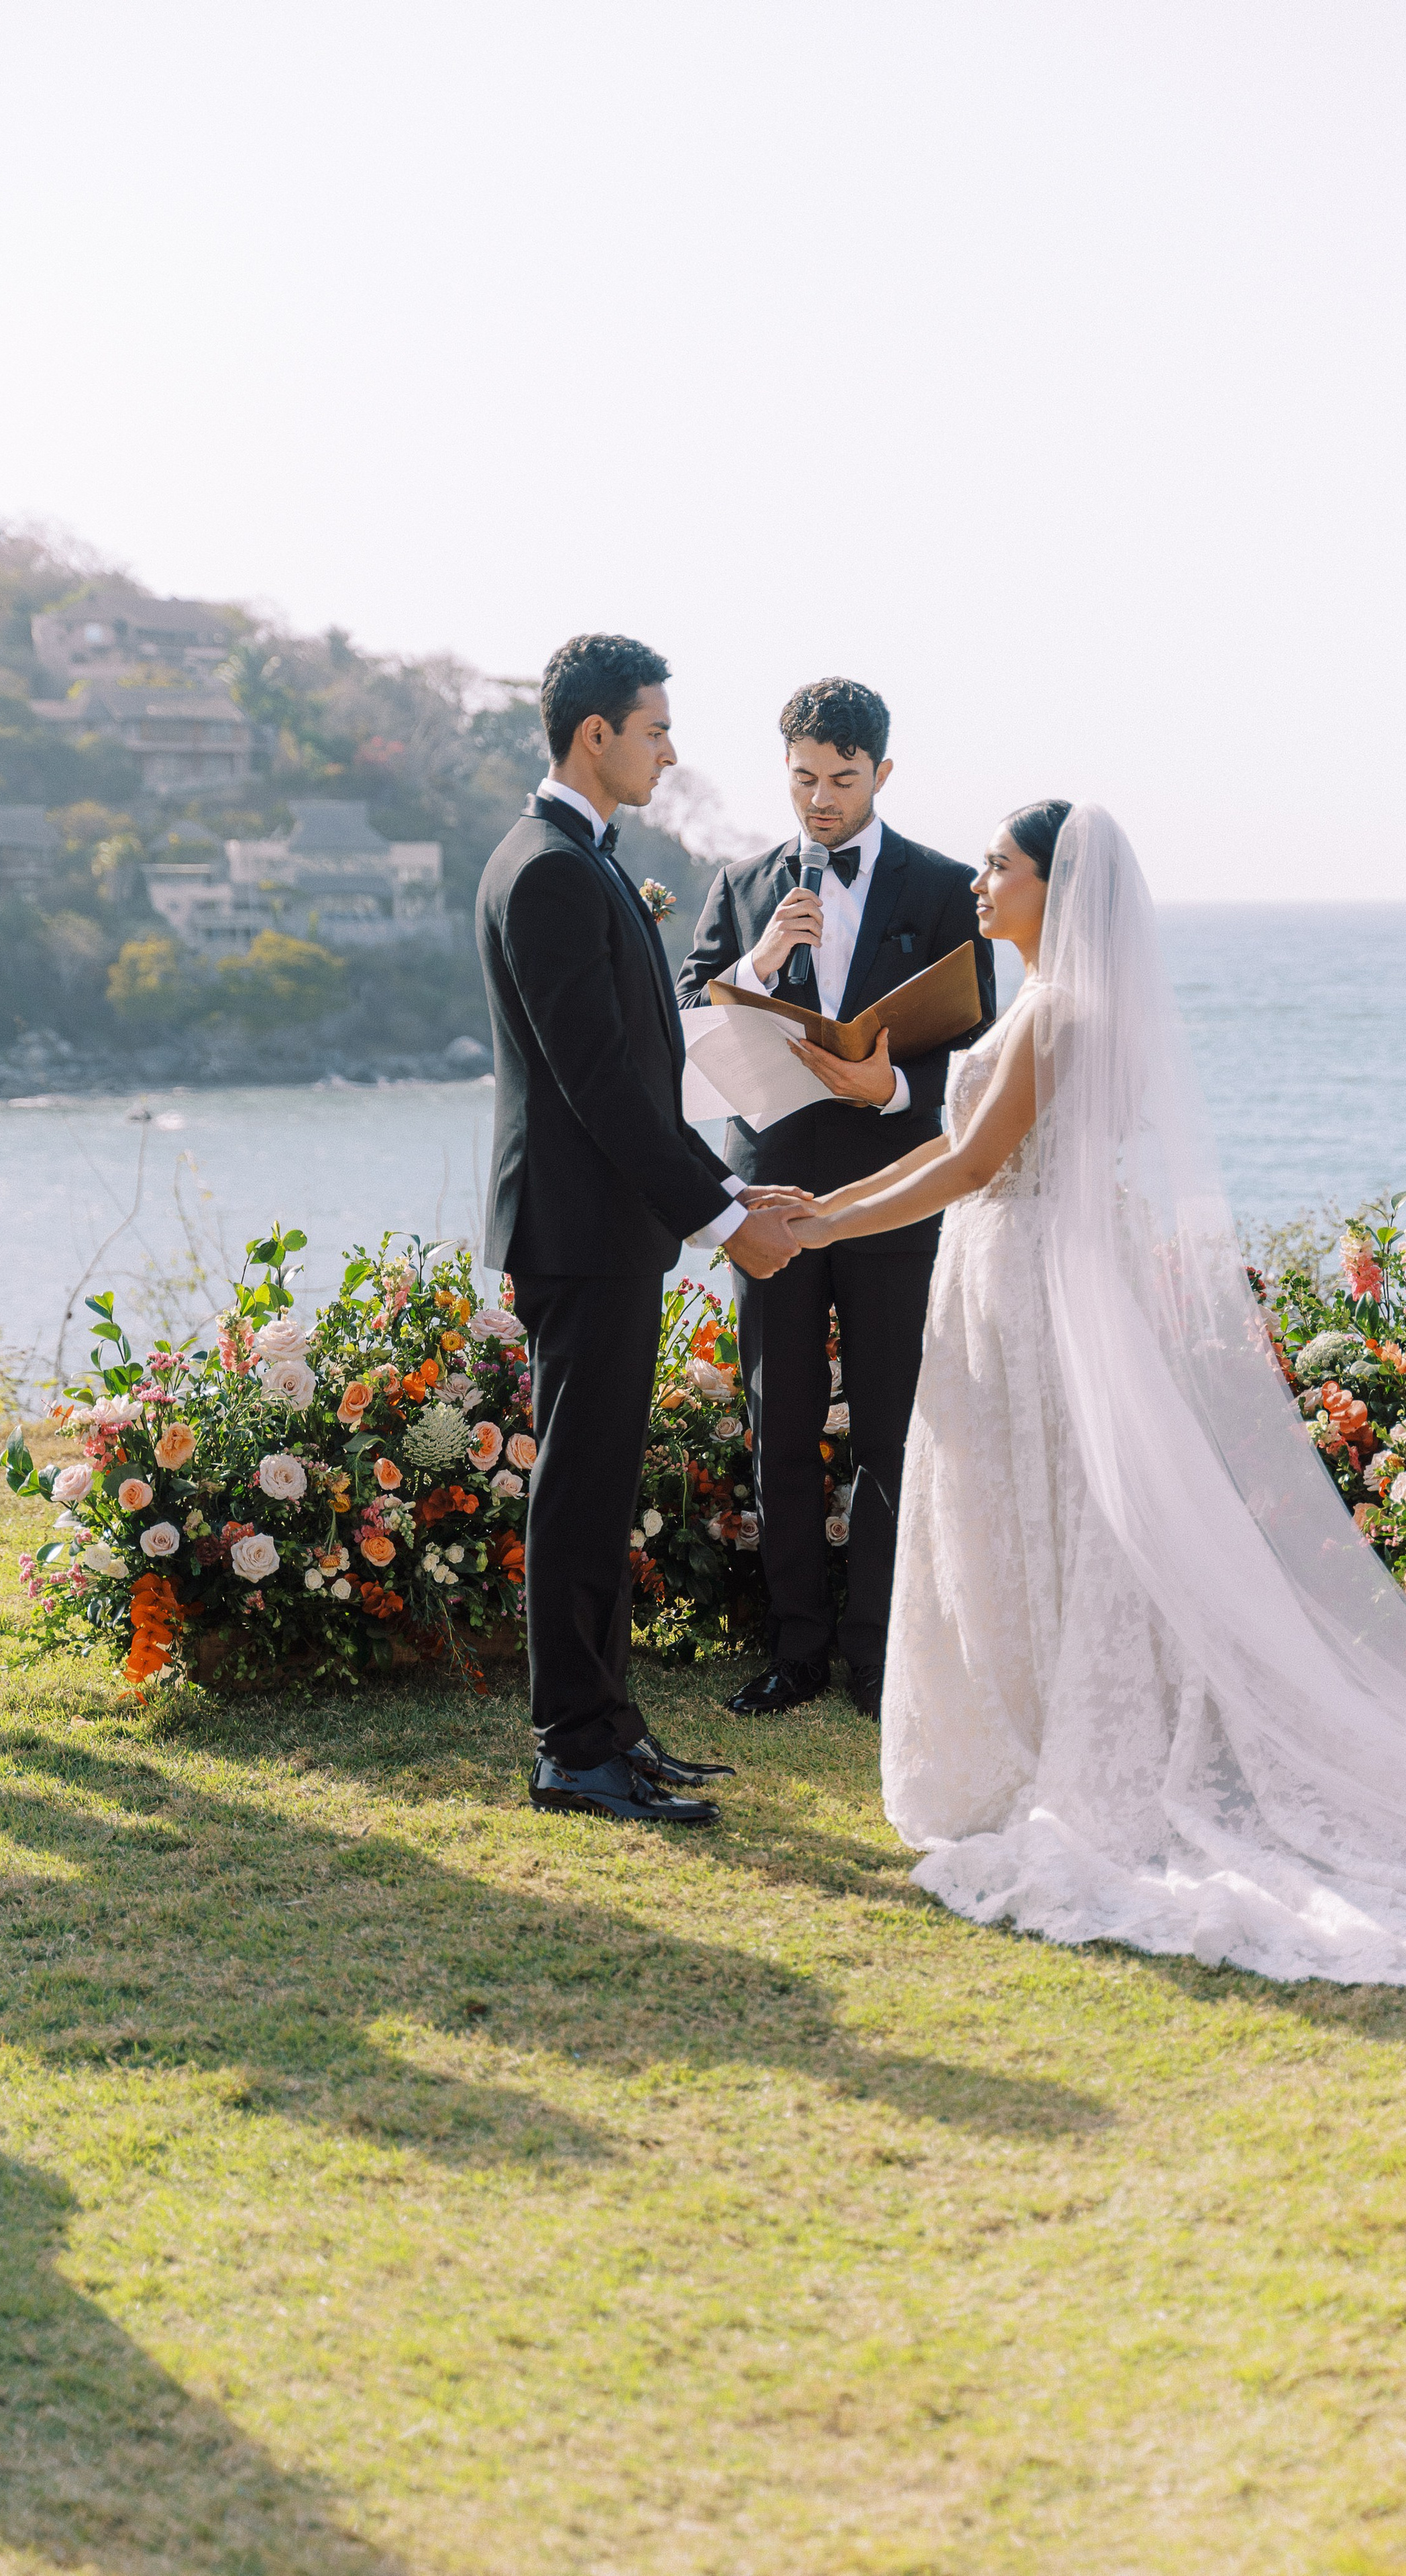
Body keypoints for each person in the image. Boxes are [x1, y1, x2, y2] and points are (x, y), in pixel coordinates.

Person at [788, 799, 1406, 1985]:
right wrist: (823, 1214)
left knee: (1048, 1506)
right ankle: (1023, 1722)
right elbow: (950, 1157)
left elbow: (970, 1167)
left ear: (1055, 888)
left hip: (1026, 1283)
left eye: (998, 866)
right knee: (1017, 1507)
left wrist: (822, 1225)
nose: (978, 882)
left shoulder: (1061, 1014)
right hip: (1003, 1265)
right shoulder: (1041, 1007)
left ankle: (1068, 1744)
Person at [476, 633, 803, 1825]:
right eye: (656, 728)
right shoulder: (552, 869)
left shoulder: (575, 856)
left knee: (603, 1484)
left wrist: (727, 1187)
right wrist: (721, 1217)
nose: (671, 750)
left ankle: (610, 1727)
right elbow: (598, 1083)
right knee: (580, 1489)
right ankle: (574, 1750)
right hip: (580, 1230)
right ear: (595, 733)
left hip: (601, 1227)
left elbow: (641, 1060)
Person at [676, 678, 994, 1719]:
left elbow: (986, 1061)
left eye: (842, 781)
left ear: (882, 775)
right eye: (804, 779)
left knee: (892, 1431)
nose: (820, 801)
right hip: (771, 1196)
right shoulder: (738, 884)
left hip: (897, 1192)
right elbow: (682, 1037)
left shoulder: (949, 890)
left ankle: (877, 1656)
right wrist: (765, 955)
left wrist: (893, 1085)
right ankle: (796, 1651)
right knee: (781, 1423)